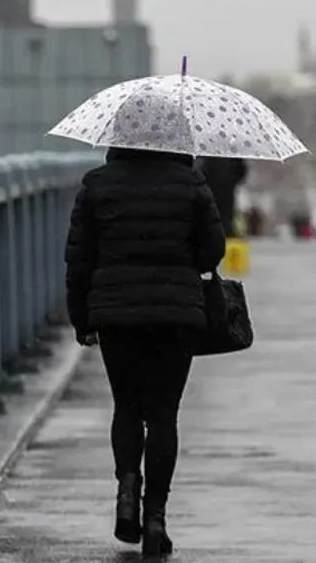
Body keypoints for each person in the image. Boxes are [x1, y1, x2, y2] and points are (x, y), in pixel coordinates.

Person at [64, 147, 227, 558]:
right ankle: (155, 520)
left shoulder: (97, 185)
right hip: (177, 314)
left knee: (127, 407)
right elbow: (213, 250)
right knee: (163, 415)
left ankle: (125, 490)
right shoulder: (190, 184)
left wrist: (81, 320)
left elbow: (78, 260)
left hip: (116, 315)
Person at [198, 157, 248, 237]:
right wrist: (232, 180)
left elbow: (202, 171)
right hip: (227, 192)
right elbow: (241, 171)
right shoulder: (233, 153)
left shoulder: (208, 154)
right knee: (225, 222)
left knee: (210, 220)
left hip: (211, 192)